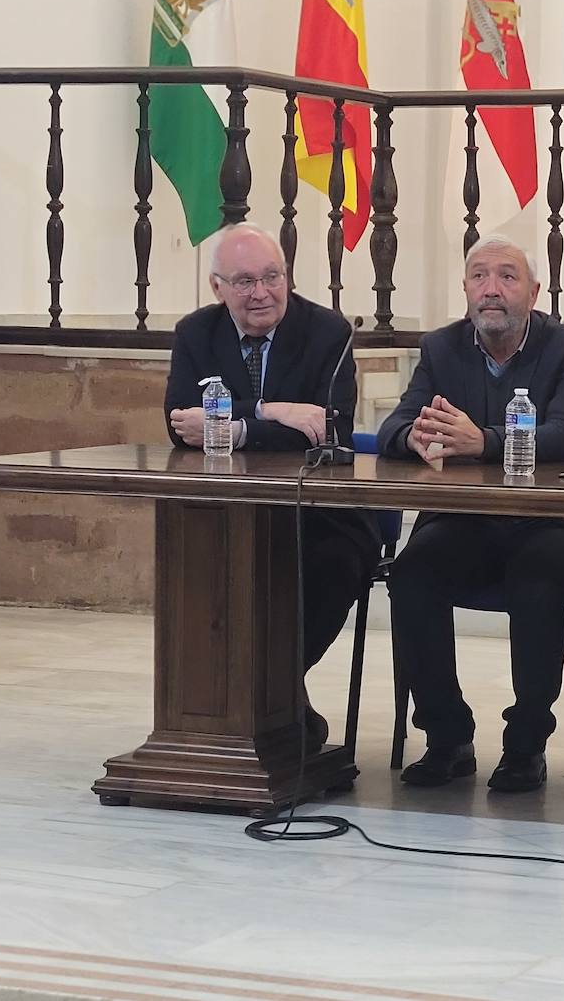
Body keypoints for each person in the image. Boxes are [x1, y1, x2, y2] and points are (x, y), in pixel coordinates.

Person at [375, 235, 564, 793]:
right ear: (465, 290)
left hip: (555, 523)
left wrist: (480, 441)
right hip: (468, 521)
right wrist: (415, 436)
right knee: (413, 573)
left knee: (536, 577)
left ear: (533, 293)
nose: (492, 289)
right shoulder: (441, 348)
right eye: (479, 277)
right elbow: (393, 426)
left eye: (507, 277)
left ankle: (526, 742)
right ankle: (447, 736)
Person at [163, 221, 382, 753]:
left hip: (320, 515)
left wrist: (231, 425)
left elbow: (328, 428)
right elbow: (178, 425)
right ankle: (236, 716)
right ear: (217, 288)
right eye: (243, 282)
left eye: (271, 277)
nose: (260, 292)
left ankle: (263, 700)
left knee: (331, 566)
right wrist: (269, 410)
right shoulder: (196, 333)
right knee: (198, 565)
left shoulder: (328, 332)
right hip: (231, 513)